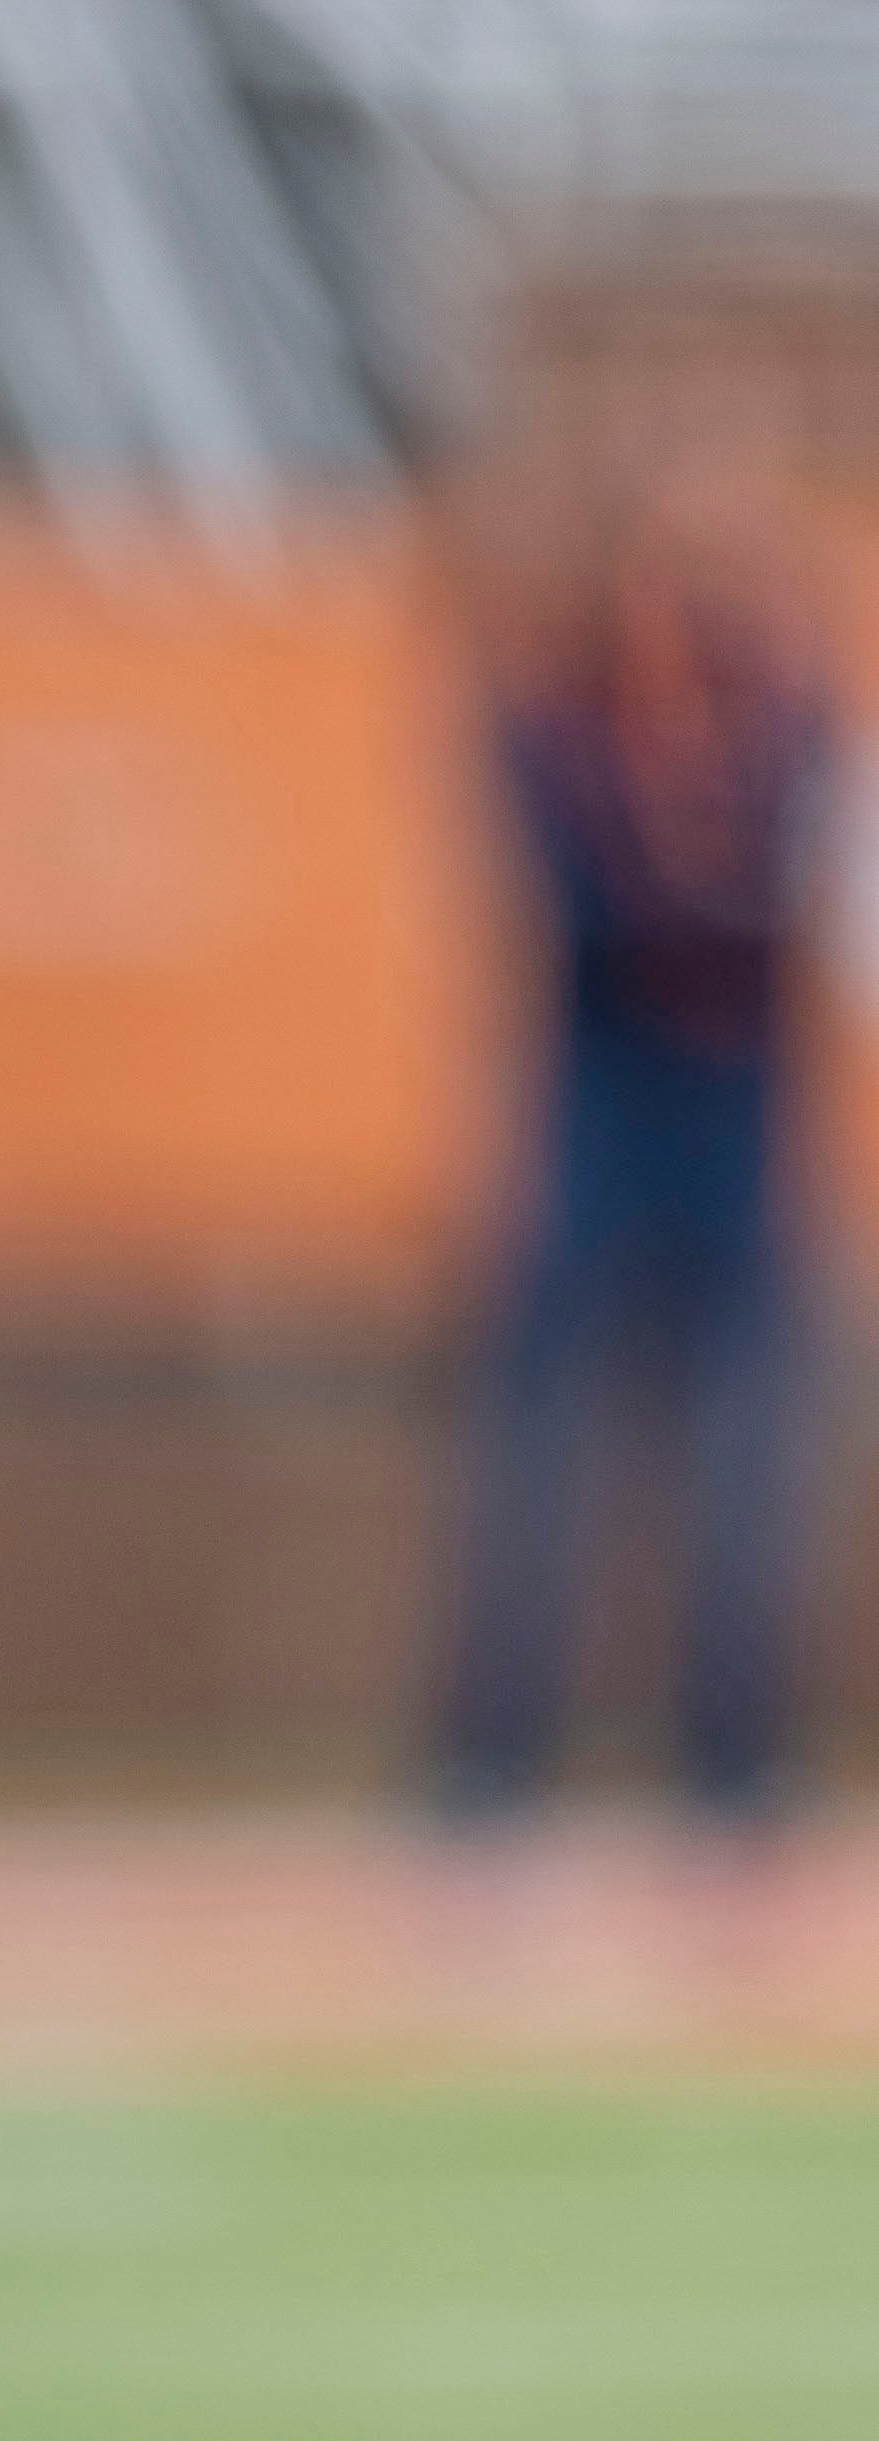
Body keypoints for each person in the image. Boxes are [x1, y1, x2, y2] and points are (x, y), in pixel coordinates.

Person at [438, 447, 841, 1821]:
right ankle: (489, 1756)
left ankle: (733, 1758)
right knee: (538, 1447)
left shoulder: (794, 733)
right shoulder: (558, 735)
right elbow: (600, 908)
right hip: (599, 1113)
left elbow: (796, 902)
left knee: (745, 1455)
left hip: (738, 1120)